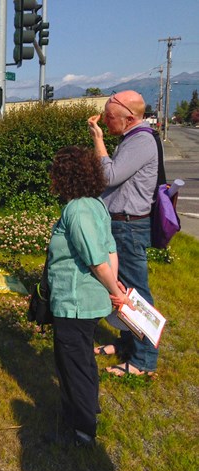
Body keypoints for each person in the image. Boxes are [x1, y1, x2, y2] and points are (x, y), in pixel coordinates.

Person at [46, 146, 131, 447]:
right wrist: (113, 284)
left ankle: (82, 430)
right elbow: (110, 250)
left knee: (73, 364)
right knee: (82, 359)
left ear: (65, 175)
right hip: (87, 301)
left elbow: (97, 259)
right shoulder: (96, 204)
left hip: (75, 302)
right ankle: (88, 411)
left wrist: (114, 290)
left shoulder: (77, 210)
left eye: (56, 170)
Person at [88, 90, 160, 376]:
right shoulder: (133, 139)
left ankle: (143, 361)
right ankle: (127, 342)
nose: (105, 121)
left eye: (110, 117)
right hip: (123, 223)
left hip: (129, 226)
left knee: (135, 292)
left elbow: (109, 176)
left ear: (129, 118)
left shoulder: (141, 140)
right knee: (121, 289)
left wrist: (98, 141)